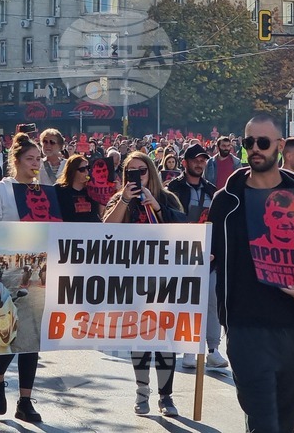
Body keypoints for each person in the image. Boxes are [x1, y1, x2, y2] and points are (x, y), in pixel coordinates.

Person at [209, 114, 294, 433]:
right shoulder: (226, 201)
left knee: (283, 427)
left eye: (263, 142)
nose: (255, 149)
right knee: (264, 426)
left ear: (279, 147)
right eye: (248, 142)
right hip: (245, 332)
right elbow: (206, 256)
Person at [0, 133, 60, 422]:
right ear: (15, 161)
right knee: (12, 332)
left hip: (41, 270)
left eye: (39, 159)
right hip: (9, 270)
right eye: (30, 159)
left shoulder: (45, 190)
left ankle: (25, 401)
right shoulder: (0, 190)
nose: (36, 163)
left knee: (33, 336)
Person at [103, 151, 185, 417]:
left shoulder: (167, 198)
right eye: (131, 171)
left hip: (165, 279)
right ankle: (141, 391)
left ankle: (166, 395)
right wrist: (125, 200)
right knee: (139, 337)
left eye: (142, 170)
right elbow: (105, 231)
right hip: (132, 279)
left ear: (151, 172)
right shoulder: (119, 200)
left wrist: (157, 207)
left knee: (165, 338)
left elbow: (182, 232)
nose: (137, 175)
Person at [166, 142, 228, 371]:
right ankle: (189, 349)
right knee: (186, 303)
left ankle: (212, 349)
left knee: (212, 302)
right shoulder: (173, 188)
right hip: (182, 255)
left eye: (203, 160)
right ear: (185, 163)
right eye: (195, 160)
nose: (200, 163)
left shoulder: (212, 190)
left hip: (209, 255)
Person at [55, 154, 100, 222]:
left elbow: (99, 213)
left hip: (90, 229)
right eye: (82, 169)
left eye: (88, 168)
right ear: (72, 171)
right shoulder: (59, 190)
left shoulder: (92, 190)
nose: (86, 172)